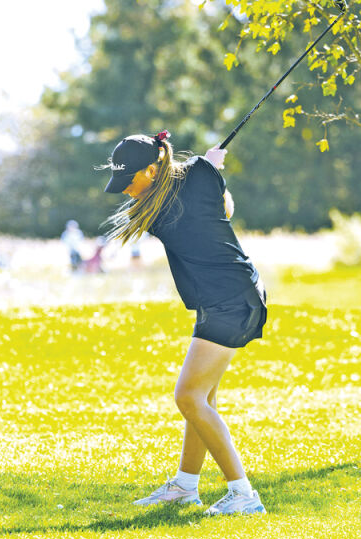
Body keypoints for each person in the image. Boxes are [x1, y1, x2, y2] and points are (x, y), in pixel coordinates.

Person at [101, 131, 267, 516]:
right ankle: (185, 486)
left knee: (188, 397)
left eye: (130, 181)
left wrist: (209, 168)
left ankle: (243, 495)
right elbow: (225, 209)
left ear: (152, 168)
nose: (126, 190)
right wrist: (210, 168)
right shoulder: (195, 177)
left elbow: (210, 205)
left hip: (229, 301)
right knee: (201, 399)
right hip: (232, 295)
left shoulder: (153, 209)